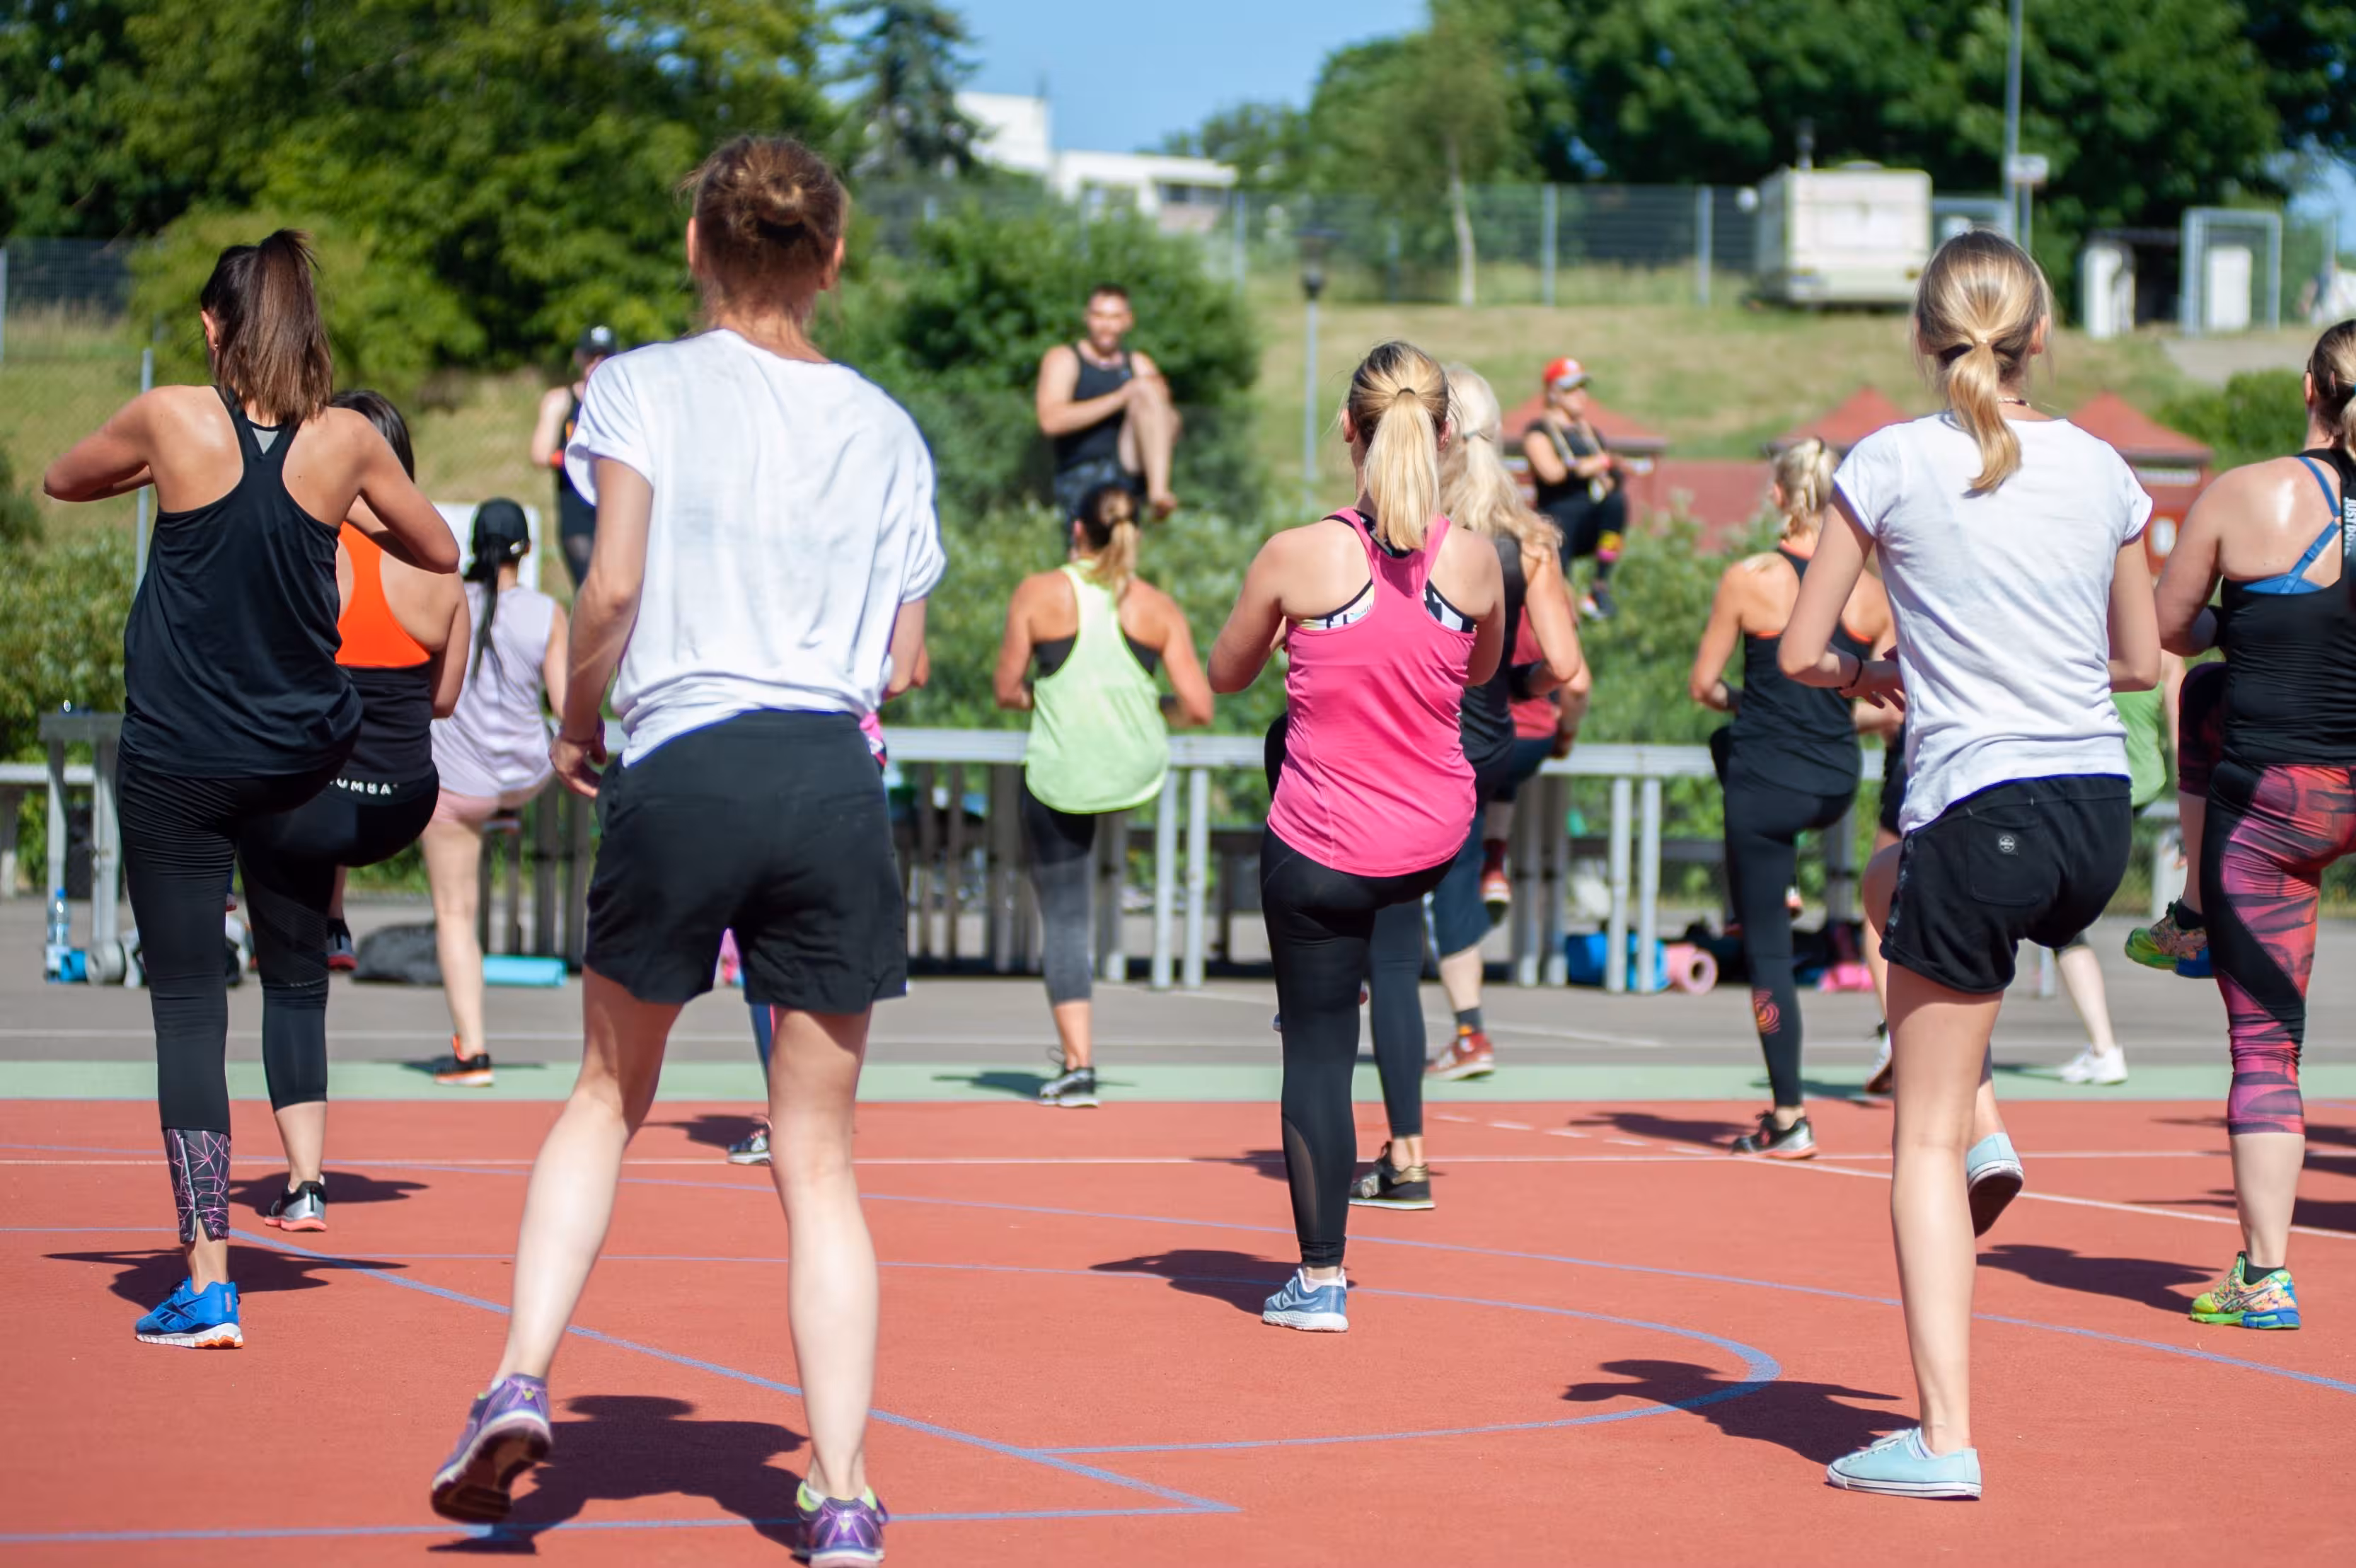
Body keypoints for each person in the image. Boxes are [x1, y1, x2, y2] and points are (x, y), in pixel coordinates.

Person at [429, 137, 941, 1568]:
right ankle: (840, 1494)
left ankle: (520, 1376)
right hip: (829, 771)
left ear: (698, 250)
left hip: (685, 753)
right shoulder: (889, 429)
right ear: (831, 259)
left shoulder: (637, 386)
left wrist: (580, 722)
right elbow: (903, 652)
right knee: (821, 1162)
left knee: (606, 1094)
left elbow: (615, 584)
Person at [1782, 229, 2158, 1499]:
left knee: (1918, 1142)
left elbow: (1797, 651)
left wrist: (1873, 674)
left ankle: (1942, 1437)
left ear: (1924, 336)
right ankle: (1987, 1128)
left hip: (1979, 798)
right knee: (1901, 899)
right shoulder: (2105, 467)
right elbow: (2143, 661)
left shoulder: (1887, 462)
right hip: (2095, 813)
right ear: (2041, 335)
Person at [44, 231, 458, 1349]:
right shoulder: (349, 443)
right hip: (296, 762)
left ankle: (209, 1280)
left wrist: (166, 476)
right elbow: (437, 552)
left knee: (187, 1010)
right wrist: (339, 507)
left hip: (179, 763)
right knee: (286, 964)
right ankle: (305, 1109)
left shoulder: (173, 418)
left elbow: (64, 477)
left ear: (216, 329)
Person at [1207, 340, 1502, 1332]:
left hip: (1322, 846)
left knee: (1318, 1051)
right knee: (1395, 967)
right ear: (1448, 432)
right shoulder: (1472, 557)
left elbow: (1225, 672)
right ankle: (1405, 1149)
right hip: (1422, 838)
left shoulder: (1298, 554)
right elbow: (1475, 664)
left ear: (1348, 429)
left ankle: (1321, 1279)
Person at [2147, 318, 2356, 1333]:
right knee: (2208, 698)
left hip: (2272, 803)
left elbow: (2167, 631)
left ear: (2309, 389)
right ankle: (2190, 909)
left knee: (2266, 1047)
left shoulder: (2246, 491)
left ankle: (2264, 1275)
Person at [249, 391, 468, 1228]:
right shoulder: (440, 571)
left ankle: (305, 1182)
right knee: (328, 769)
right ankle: (334, 910)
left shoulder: (300, 555)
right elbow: (443, 703)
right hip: (401, 803)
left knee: (293, 988)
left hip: (310, 808)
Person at [1689, 437, 1890, 1158]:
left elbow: (1704, 685)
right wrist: (1832, 713)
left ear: (1779, 496)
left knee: (1769, 955)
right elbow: (1892, 702)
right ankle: (1786, 884)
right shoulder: (1869, 592)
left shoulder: (1750, 577)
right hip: (1836, 779)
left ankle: (1788, 1114)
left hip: (1767, 786)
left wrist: (1753, 703)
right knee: (1744, 763)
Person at [994, 482, 1213, 1107]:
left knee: (1065, 916)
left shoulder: (1039, 594)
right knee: (1108, 875)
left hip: (1063, 773)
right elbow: (1198, 708)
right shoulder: (1157, 607)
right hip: (1134, 771)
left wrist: (1056, 696)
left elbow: (1007, 689)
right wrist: (1142, 705)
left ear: (1076, 532)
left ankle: (1079, 1065)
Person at [1411, 366, 1586, 1103]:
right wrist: (1519, 686)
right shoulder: (1530, 540)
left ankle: (1368, 991)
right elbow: (1568, 666)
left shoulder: (1418, 532)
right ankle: (1469, 1024)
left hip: (1423, 736)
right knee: (1454, 870)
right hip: (1492, 736)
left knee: (1391, 871)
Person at [422, 500, 568, 1088]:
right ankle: (506, 815)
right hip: (525, 775)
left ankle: (473, 1054)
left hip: (457, 787)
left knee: (454, 915)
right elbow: (562, 704)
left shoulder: (448, 601)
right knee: (517, 778)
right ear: (526, 550)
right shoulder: (547, 613)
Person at [1035, 284, 1181, 524]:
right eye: (1099, 316)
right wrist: (1121, 397)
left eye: (1114, 317)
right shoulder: (1065, 359)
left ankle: (1158, 492)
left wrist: (1161, 404)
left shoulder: (1139, 364)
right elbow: (1050, 421)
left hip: (1129, 476)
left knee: (1149, 391)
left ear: (1128, 321)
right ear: (1087, 317)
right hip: (1083, 477)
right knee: (1089, 560)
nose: (1106, 325)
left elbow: (1170, 429)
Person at [1522, 357, 1626, 619]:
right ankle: (1563, 606)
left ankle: (1600, 585)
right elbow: (1551, 472)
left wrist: (1607, 471)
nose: (1580, 395)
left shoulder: (1589, 433)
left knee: (1616, 503)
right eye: (1571, 388)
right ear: (1553, 393)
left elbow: (1612, 473)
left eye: (1582, 387)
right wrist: (1594, 464)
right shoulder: (1539, 431)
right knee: (1559, 594)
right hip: (1559, 521)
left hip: (1589, 519)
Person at [531, 324, 619, 588]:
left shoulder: (622, 399)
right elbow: (539, 454)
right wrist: (579, 459)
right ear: (579, 358)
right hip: (576, 509)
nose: (597, 363)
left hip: (614, 507)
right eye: (592, 356)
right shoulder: (561, 400)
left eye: (604, 356)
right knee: (589, 586)